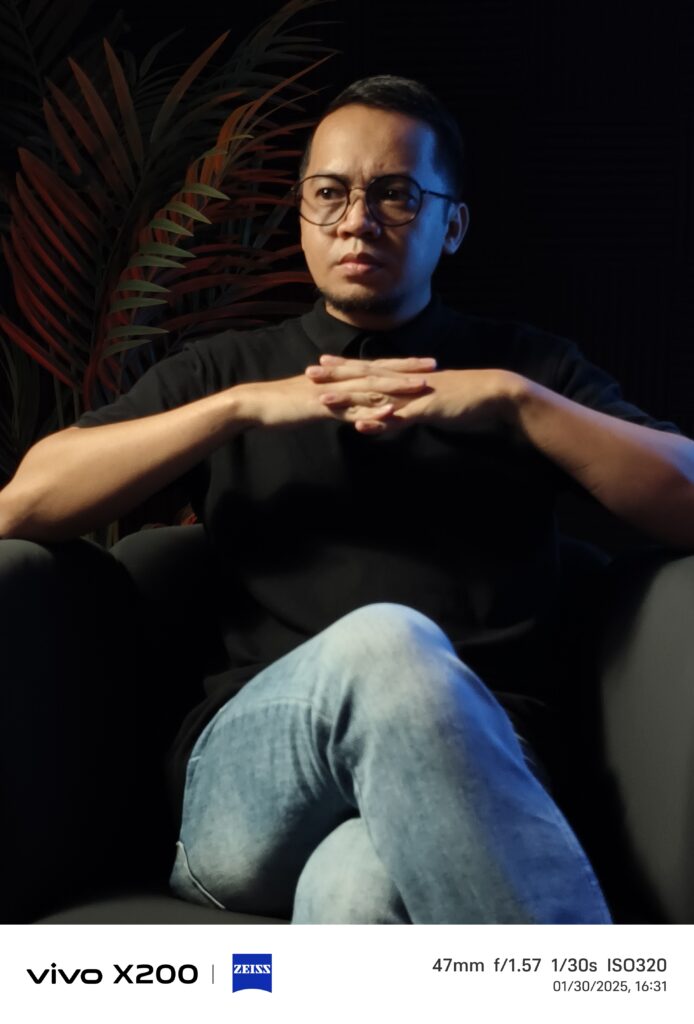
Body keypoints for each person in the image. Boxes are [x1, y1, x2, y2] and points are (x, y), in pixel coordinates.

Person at [2, 75, 694, 924]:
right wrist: (239, 410)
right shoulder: (227, 372)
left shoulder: (526, 371)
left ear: (453, 226)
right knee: (386, 642)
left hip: (482, 778)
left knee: (359, 887)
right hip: (251, 791)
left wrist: (517, 403)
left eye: (395, 194)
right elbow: (20, 505)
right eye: (329, 193)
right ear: (302, 212)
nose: (356, 220)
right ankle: (579, 985)